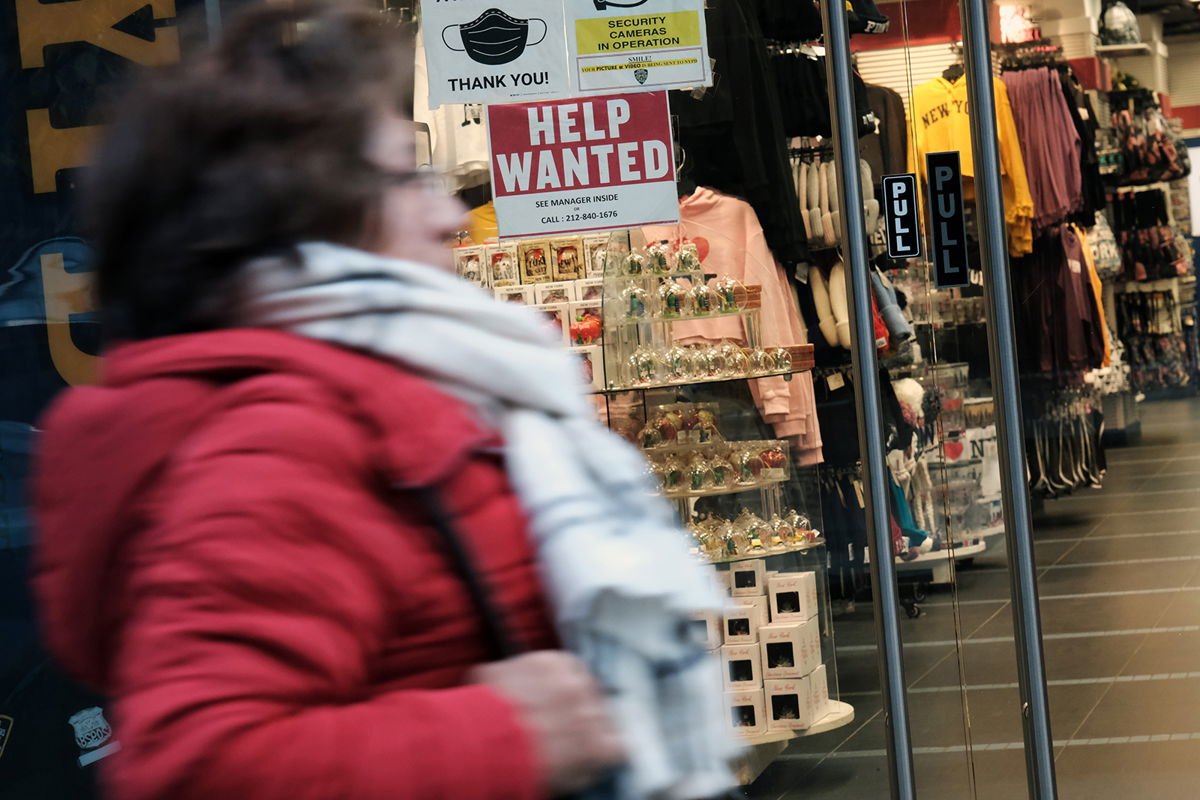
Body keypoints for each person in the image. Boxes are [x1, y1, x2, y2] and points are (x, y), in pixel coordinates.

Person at [30, 3, 631, 798]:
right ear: (307, 218)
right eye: (409, 179)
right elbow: (198, 764)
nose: (451, 214)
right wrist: (506, 734)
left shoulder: (360, 395)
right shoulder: (282, 441)